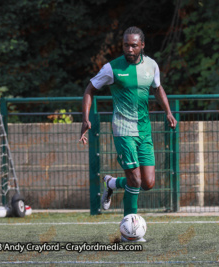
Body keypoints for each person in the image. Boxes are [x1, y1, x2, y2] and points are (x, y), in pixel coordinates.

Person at [79, 26, 177, 242]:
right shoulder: (112, 68)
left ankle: (112, 183)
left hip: (144, 130)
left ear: (142, 46)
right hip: (123, 130)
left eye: (134, 45)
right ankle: (128, 234)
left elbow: (157, 88)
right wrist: (85, 118)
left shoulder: (151, 65)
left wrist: (168, 111)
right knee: (134, 178)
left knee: (147, 183)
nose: (129, 48)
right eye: (126, 44)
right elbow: (89, 89)